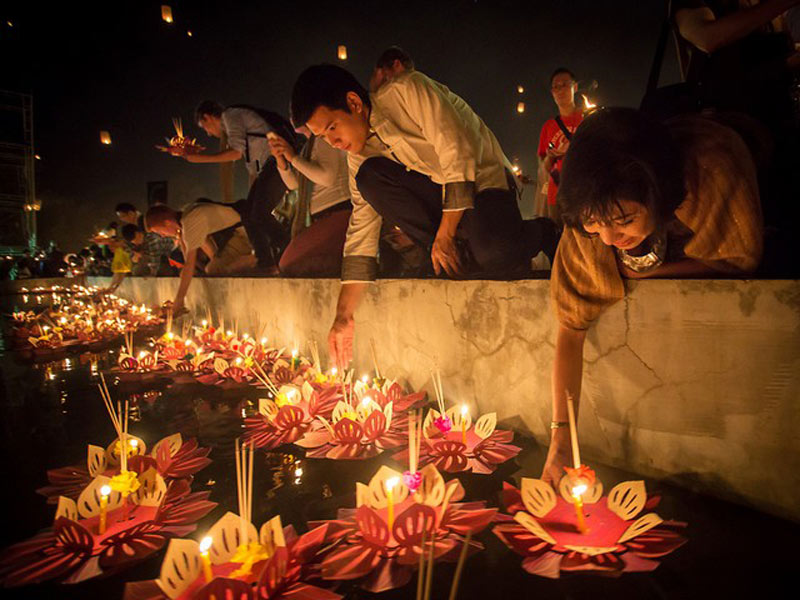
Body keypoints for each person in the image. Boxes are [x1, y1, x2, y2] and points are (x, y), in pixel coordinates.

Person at [540, 108, 763, 487]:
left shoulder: (709, 171)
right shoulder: (590, 216)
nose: (609, 239)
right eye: (594, 224)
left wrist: (642, 273)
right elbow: (571, 328)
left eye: (625, 221)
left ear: (658, 195)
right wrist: (560, 441)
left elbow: (739, 256)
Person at [291, 64, 558, 368]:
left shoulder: (408, 92)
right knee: (369, 178)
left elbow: (458, 154)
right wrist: (343, 316)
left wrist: (446, 235)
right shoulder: (359, 158)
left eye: (332, 128)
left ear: (353, 103)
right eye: (322, 137)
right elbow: (361, 230)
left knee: (495, 253)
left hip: (485, 185)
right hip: (446, 206)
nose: (333, 143)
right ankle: (452, 254)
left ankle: (544, 231)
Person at [166, 101, 296, 271]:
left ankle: (291, 251)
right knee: (248, 214)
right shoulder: (240, 128)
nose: (208, 133)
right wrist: (253, 196)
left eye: (205, 128)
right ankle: (265, 262)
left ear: (208, 117)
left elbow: (235, 153)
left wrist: (198, 159)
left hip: (276, 162)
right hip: (268, 168)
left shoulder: (230, 115)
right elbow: (253, 170)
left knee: (259, 214)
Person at [269, 126, 351, 276]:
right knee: (301, 265)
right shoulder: (310, 145)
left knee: (290, 264)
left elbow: (327, 178)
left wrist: (293, 158)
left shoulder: (323, 139)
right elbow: (295, 185)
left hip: (337, 211)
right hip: (324, 217)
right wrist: (281, 159)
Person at [145, 202, 256, 313]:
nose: (162, 235)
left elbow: (189, 263)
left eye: (159, 231)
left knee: (215, 269)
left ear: (167, 223)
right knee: (209, 268)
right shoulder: (184, 221)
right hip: (227, 237)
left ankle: (256, 259)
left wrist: (179, 299)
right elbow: (188, 263)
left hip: (242, 233)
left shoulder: (190, 220)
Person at [536, 68, 585, 221]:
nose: (560, 90)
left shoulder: (587, 119)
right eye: (556, 87)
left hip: (585, 191)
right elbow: (544, 168)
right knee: (558, 234)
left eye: (564, 85)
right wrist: (550, 157)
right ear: (552, 92)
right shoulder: (548, 126)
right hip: (557, 194)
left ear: (575, 87)